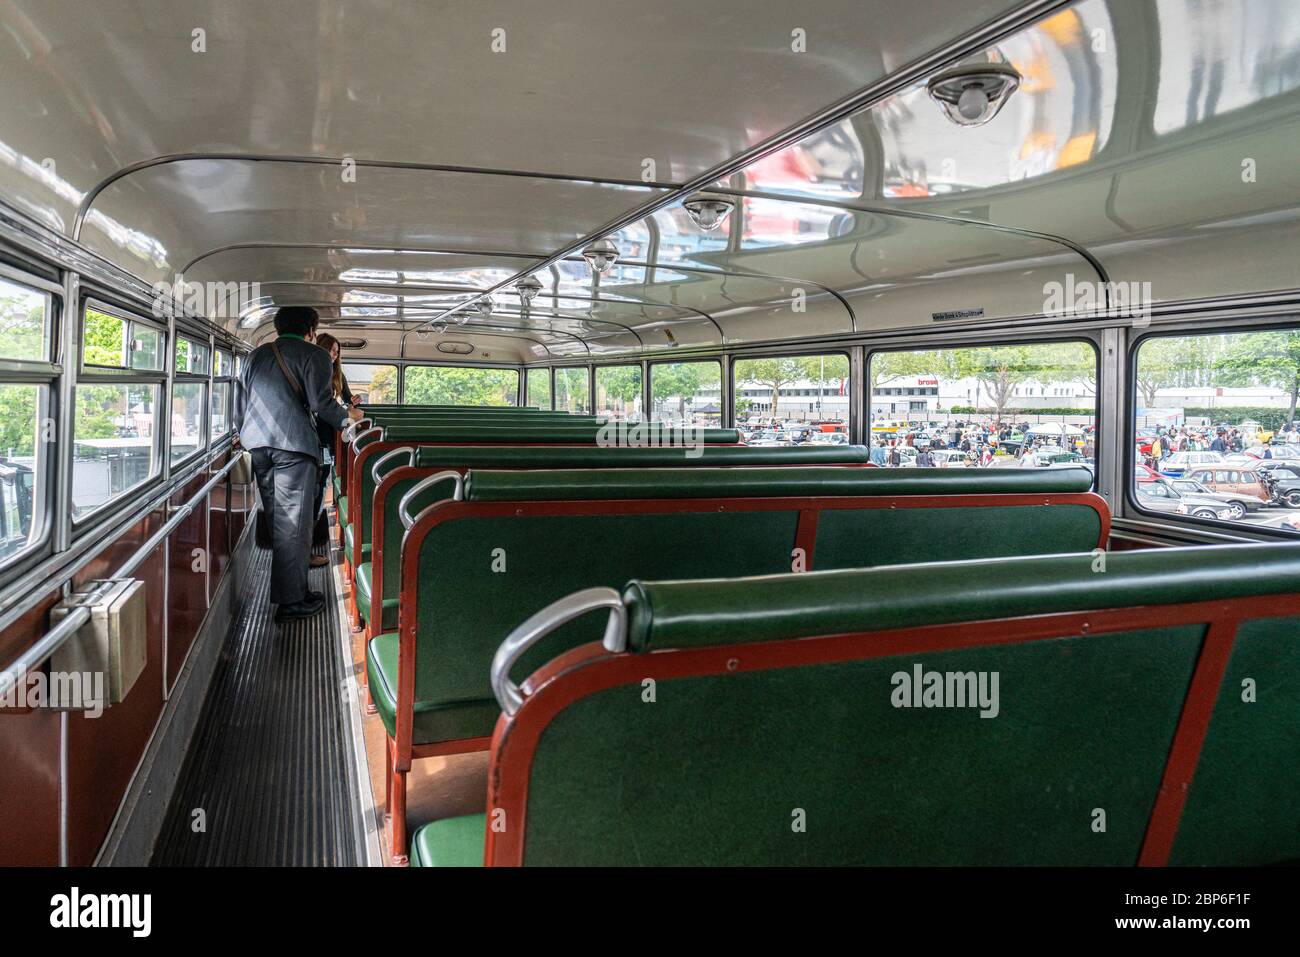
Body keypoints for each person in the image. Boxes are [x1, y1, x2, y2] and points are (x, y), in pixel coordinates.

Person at [234, 307, 362, 622]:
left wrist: (243, 433)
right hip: (293, 447)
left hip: (258, 445)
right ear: (311, 330)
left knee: (280, 519)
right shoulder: (314, 355)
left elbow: (240, 401)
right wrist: (349, 419)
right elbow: (321, 404)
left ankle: (289, 588)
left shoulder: (255, 356)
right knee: (295, 522)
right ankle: (292, 601)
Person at [309, 333, 354, 561]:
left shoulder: (337, 374)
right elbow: (322, 405)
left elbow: (346, 399)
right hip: (313, 432)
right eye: (330, 350)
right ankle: (307, 542)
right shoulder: (313, 371)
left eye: (336, 352)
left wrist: (351, 403)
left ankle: (310, 537)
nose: (333, 355)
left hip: (329, 433)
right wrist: (346, 415)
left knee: (321, 480)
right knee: (314, 487)